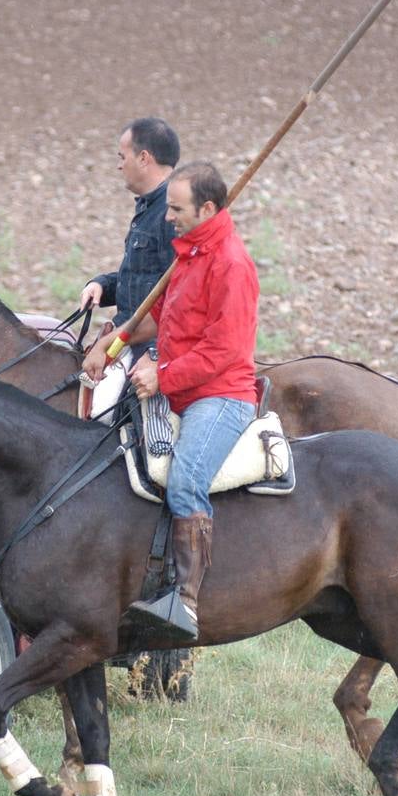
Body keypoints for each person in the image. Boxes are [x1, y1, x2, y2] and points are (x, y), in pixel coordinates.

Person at [107, 162, 260, 642]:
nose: (167, 216)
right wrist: (111, 342)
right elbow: (161, 318)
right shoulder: (189, 253)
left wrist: (163, 374)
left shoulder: (231, 264)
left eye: (176, 208)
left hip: (220, 397)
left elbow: (224, 351)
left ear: (207, 208)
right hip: (178, 388)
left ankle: (186, 602)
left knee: (186, 479)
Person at [79, 117, 180, 379]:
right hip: (128, 334)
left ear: (144, 158)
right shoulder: (149, 208)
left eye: (122, 157)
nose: (119, 165)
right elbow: (145, 279)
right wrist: (103, 285)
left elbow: (178, 297)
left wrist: (156, 353)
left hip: (148, 344)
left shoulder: (172, 214)